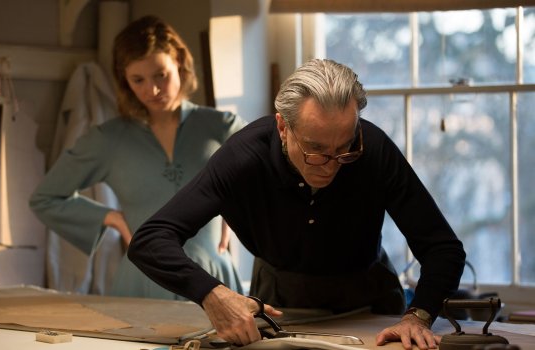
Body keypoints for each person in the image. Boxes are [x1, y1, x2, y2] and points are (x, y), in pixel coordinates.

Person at [128, 58, 466, 349]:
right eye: (316, 150)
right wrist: (211, 293)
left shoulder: (373, 148)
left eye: (344, 149)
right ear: (283, 127)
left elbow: (444, 249)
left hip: (372, 303)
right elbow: (150, 240)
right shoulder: (242, 159)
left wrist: (419, 317)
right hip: (281, 306)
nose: (332, 164)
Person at [29, 15, 246, 299]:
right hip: (142, 283)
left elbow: (267, 180)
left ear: (178, 61)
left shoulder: (223, 127)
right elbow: (44, 198)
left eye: (161, 75)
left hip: (216, 277)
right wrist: (113, 218)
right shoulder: (107, 140)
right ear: (124, 80)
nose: (152, 90)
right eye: (138, 80)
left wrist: (234, 210)